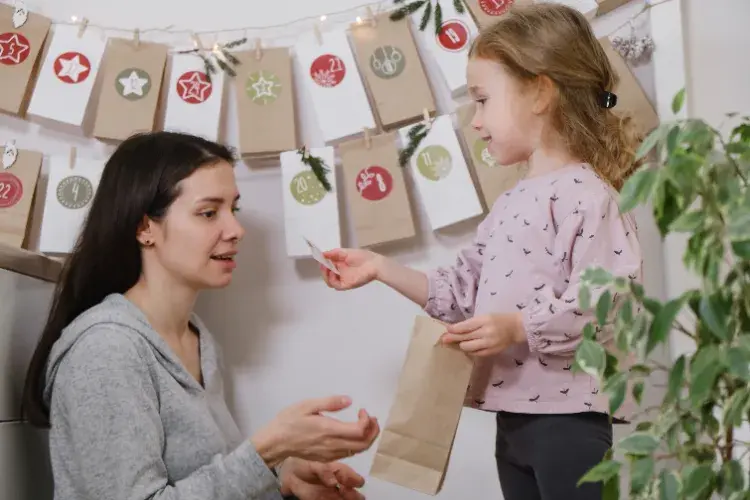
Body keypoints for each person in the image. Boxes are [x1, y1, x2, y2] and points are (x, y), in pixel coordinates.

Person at [319, 4, 643, 500]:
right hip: (512, 421)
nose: (475, 121)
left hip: (568, 423)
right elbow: (458, 292)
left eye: (483, 100)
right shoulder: (511, 203)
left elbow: (604, 301)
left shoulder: (588, 196)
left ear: (539, 93)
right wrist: (380, 267)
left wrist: (517, 327)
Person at [22, 131, 380, 500]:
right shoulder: (105, 350)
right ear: (145, 228)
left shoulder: (197, 338)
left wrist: (281, 474)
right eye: (209, 213)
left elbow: (203, 477)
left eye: (233, 209)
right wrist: (267, 451)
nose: (236, 230)